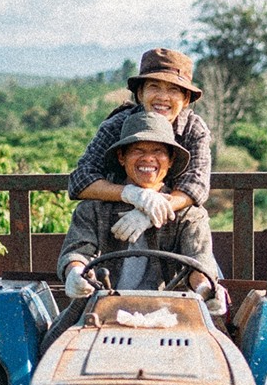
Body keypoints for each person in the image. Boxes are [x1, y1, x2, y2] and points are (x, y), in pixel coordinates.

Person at [58, 109, 223, 307]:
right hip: (102, 308)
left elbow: (199, 261)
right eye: (138, 150)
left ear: (170, 161)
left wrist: (204, 289)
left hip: (169, 310)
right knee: (56, 336)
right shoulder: (92, 209)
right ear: (122, 157)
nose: (148, 158)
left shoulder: (189, 214)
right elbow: (77, 253)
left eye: (158, 152)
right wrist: (75, 273)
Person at [67, 48, 211, 241]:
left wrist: (151, 210)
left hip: (177, 229)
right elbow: (80, 180)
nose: (163, 97)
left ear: (185, 99)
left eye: (173, 89)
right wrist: (133, 195)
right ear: (140, 93)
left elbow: (197, 186)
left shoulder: (193, 129)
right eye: (154, 87)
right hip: (117, 226)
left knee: (208, 269)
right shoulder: (117, 125)